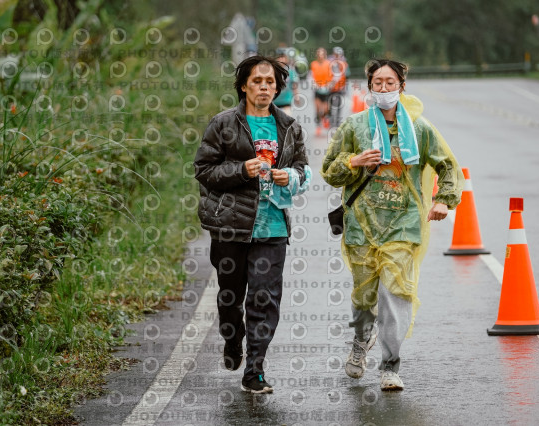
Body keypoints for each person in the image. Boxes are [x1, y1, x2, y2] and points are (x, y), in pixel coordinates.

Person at [321, 58, 464, 391]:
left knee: (395, 294)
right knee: (364, 296)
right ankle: (360, 341)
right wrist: (354, 161)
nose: (384, 88)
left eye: (390, 82)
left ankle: (390, 366)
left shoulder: (419, 128)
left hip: (403, 223)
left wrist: (444, 200)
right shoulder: (355, 127)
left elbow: (447, 166)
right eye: (377, 83)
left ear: (402, 86)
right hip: (361, 225)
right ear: (369, 86)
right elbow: (329, 171)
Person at [195, 55, 310, 394]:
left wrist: (288, 176)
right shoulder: (223, 124)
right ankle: (232, 340)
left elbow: (303, 170)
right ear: (244, 85)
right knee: (231, 299)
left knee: (264, 298)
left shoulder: (289, 126)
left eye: (270, 82)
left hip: (272, 227)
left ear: (278, 88)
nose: (264, 87)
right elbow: (203, 171)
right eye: (257, 81)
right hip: (230, 226)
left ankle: (255, 370)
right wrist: (240, 170)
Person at [310, 47, 333, 136]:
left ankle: (325, 118)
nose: (320, 56)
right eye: (319, 54)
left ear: (325, 55)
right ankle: (318, 126)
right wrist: (314, 84)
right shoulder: (313, 64)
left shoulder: (329, 64)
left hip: (326, 90)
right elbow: (311, 76)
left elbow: (332, 76)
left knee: (326, 109)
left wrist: (329, 84)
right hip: (317, 89)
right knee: (318, 108)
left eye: (322, 54)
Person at [328, 46, 349, 128]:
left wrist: (345, 87)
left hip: (340, 87)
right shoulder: (329, 62)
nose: (337, 56)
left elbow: (346, 75)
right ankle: (330, 119)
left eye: (339, 54)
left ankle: (337, 121)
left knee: (339, 105)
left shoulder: (344, 63)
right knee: (330, 104)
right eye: (336, 54)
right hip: (331, 87)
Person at [273, 52, 299, 116]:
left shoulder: (290, 71)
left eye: (282, 57)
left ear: (286, 59)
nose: (281, 59)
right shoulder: (272, 71)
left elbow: (294, 85)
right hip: (274, 101)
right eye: (279, 57)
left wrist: (296, 96)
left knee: (286, 119)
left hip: (286, 100)